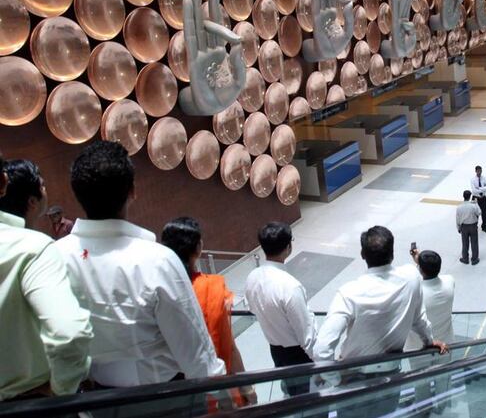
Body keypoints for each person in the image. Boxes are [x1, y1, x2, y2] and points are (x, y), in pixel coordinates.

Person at [55, 141, 226, 389]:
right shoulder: (159, 261)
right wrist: (224, 396)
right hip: (165, 397)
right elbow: (195, 352)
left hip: (95, 396)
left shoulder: (56, 257)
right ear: (132, 190)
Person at [314, 226, 447, 418]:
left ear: (362, 254)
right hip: (390, 373)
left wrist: (335, 379)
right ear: (392, 254)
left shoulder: (349, 292)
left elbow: (322, 349)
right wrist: (428, 341)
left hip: (354, 379)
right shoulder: (411, 278)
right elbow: (419, 319)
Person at [0, 156, 92, 401]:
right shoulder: (35, 247)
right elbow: (69, 333)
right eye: (42, 185)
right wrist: (60, 389)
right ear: (32, 201)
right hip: (24, 402)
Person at [162, 218, 255, 406]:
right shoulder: (211, 287)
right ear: (199, 248)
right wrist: (247, 387)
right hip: (219, 386)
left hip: (179, 392)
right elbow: (229, 346)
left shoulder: (161, 289)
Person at [244, 222, 316, 396]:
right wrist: (322, 361)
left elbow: (252, 308)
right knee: (308, 397)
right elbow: (306, 335)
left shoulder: (253, 277)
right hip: (298, 354)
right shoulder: (290, 286)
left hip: (275, 349)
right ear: (288, 247)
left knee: (290, 390)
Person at [404, 249, 455, 416]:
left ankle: (423, 409)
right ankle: (442, 406)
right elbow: (428, 274)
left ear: (420, 269)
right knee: (443, 377)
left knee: (421, 382)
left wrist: (418, 262)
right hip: (445, 343)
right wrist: (419, 260)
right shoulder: (449, 282)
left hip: (419, 349)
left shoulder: (416, 294)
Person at [456, 190, 481, 265]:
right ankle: (474, 259)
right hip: (473, 225)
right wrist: (476, 203)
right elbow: (479, 212)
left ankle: (465, 258)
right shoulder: (473, 206)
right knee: (474, 242)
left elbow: (457, 219)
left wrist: (458, 228)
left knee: (465, 243)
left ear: (463, 196)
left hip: (464, 226)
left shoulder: (459, 207)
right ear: (470, 197)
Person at [470, 166, 486, 233]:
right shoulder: (472, 179)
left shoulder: (485, 178)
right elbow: (474, 190)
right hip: (475, 198)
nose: (479, 172)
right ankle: (474, 226)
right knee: (475, 213)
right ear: (476, 171)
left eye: (480, 171)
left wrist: (479, 188)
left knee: (484, 213)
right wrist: (483, 188)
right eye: (478, 171)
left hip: (483, 197)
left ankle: (484, 227)